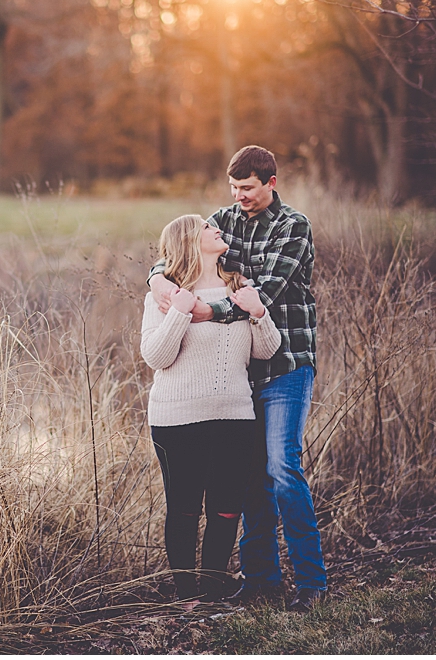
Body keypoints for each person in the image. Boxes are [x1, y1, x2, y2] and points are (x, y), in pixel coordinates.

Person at [148, 145, 326, 612]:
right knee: (249, 481)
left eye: (247, 188)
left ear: (270, 182)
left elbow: (264, 291)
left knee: (282, 469)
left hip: (285, 362)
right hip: (240, 374)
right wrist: (157, 282)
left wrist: (205, 311)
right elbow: (178, 248)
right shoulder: (224, 220)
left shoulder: (294, 227)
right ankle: (260, 579)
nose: (238, 196)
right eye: (233, 188)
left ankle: (311, 582)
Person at [141, 213, 281, 609]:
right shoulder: (163, 296)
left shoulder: (238, 288)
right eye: (206, 227)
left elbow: (265, 350)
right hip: (177, 419)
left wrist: (258, 312)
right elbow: (156, 356)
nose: (217, 229)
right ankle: (188, 599)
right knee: (184, 509)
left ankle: (214, 593)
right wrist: (180, 313)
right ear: (188, 240)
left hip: (235, 416)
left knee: (224, 509)